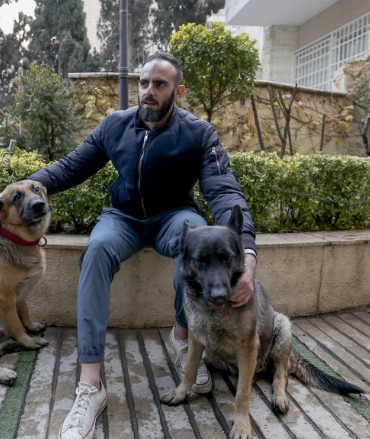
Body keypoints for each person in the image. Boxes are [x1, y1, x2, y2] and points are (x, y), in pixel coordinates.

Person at [28, 52, 257, 439]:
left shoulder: (200, 134)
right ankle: (90, 384)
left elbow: (225, 193)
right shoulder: (114, 126)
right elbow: (69, 168)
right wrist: (21, 190)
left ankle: (184, 339)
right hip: (123, 218)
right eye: (144, 83)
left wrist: (248, 256)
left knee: (196, 239)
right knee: (96, 252)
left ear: (177, 91)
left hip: (174, 218)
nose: (148, 92)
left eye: (160, 84)